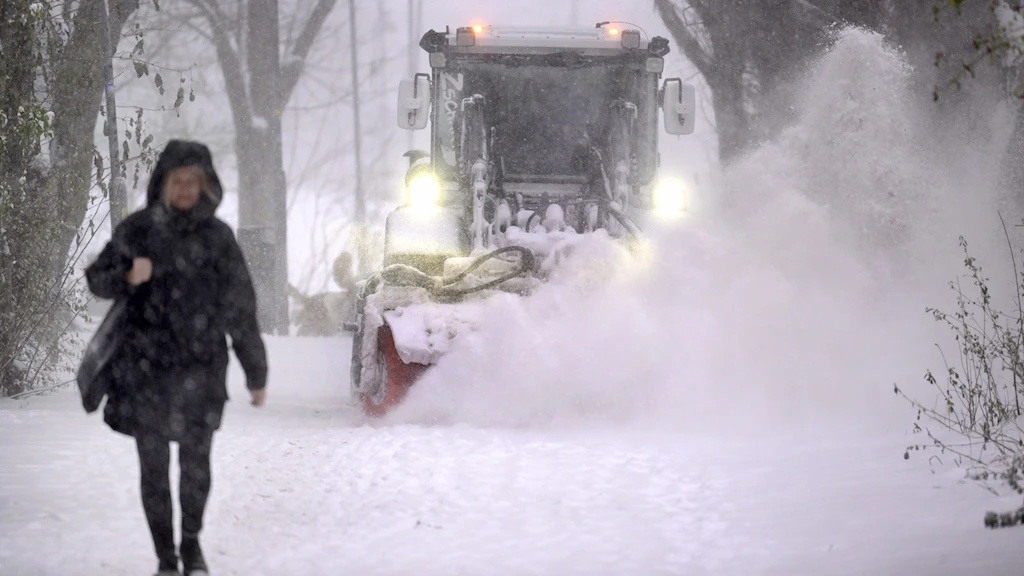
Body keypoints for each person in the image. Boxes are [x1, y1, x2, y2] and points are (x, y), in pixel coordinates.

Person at [83, 139, 268, 576]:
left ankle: (192, 546)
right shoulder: (140, 229)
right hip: (144, 370)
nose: (185, 188)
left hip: (202, 369)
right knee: (153, 470)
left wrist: (255, 371)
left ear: (205, 186)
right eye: (177, 180)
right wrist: (129, 273)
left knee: (195, 467)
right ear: (164, 184)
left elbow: (240, 308)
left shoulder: (219, 238)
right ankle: (166, 557)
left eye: (193, 181)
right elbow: (97, 280)